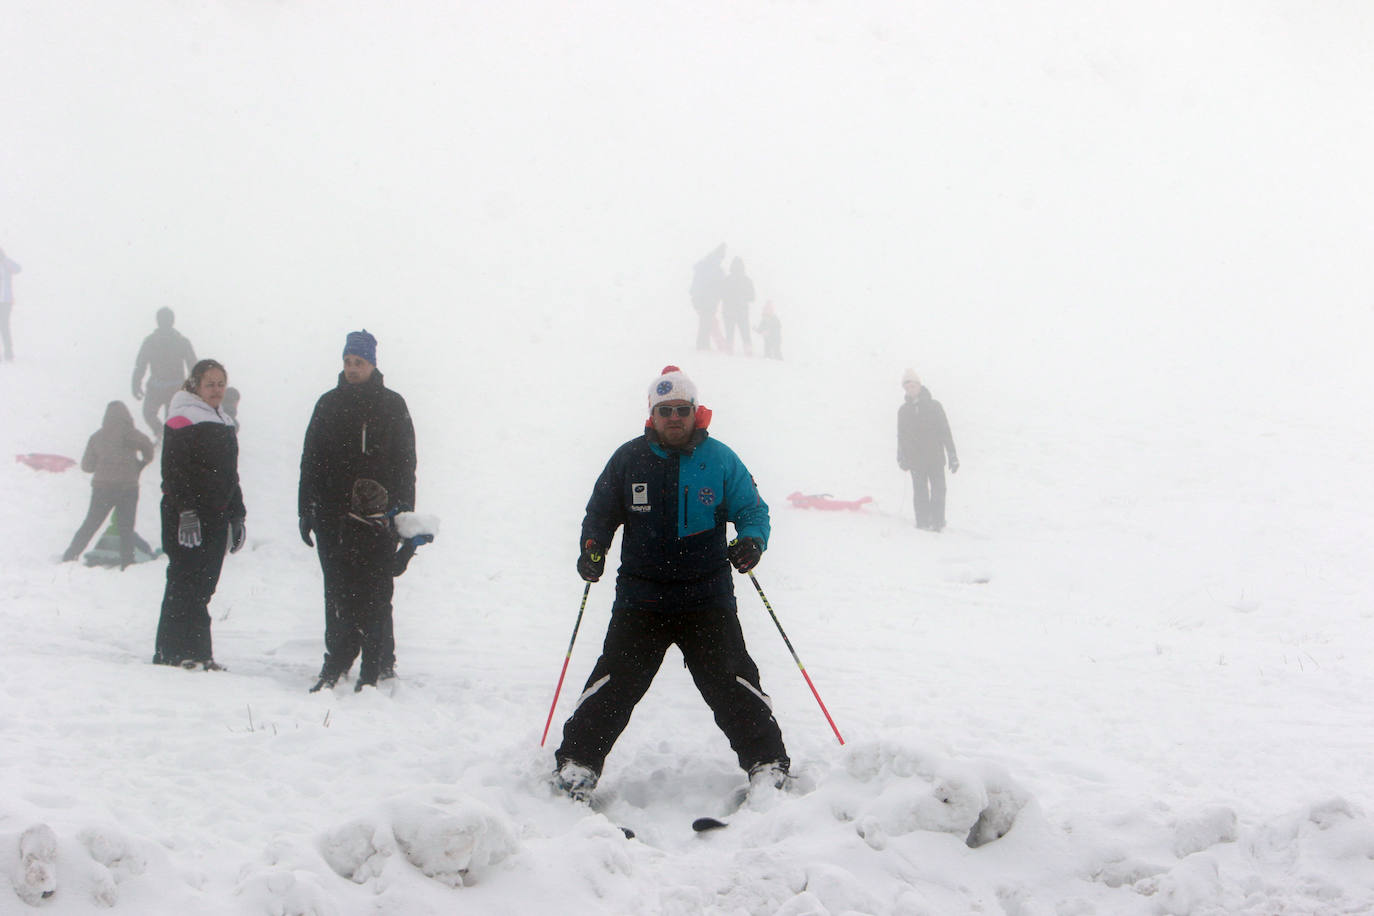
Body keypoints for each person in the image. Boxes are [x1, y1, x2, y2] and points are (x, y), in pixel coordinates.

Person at [552, 366, 790, 803]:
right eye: (666, 411)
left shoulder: (720, 459)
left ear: (696, 413)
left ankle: (767, 763)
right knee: (616, 682)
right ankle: (578, 763)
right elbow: (600, 514)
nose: (675, 417)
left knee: (732, 680)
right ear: (652, 414)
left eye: (683, 409)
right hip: (642, 597)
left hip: (706, 596)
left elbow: (753, 511)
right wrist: (593, 548)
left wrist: (752, 543)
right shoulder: (629, 458)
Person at [299, 330, 417, 693]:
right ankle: (335, 660)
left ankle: (378, 663)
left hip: (376, 518)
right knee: (337, 593)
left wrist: (403, 515)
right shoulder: (328, 404)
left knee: (376, 592)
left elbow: (405, 463)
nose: (352, 369)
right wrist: (306, 510)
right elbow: (311, 461)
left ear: (372, 364)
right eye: (348, 362)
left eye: (359, 363)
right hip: (332, 517)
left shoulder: (392, 405)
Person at [153, 359, 245, 670]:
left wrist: (237, 514)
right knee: (184, 581)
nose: (217, 389)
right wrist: (186, 512)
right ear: (196, 385)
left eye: (221, 383)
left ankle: (199, 653)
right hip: (186, 515)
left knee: (204, 585)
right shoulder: (183, 417)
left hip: (216, 515)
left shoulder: (224, 421)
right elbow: (174, 471)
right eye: (210, 384)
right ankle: (172, 652)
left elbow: (230, 475)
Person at [62, 401, 156, 568]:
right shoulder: (130, 433)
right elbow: (148, 446)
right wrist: (142, 463)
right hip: (127, 488)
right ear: (126, 417)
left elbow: (87, 466)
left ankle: (70, 555)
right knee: (126, 527)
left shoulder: (97, 437)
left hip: (102, 488)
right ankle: (127, 562)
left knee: (91, 523)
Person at [896, 369, 959, 531]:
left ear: (919, 385)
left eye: (913, 386)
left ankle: (938, 522)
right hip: (915, 460)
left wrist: (952, 454)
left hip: (935, 458)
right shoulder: (903, 411)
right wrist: (901, 455)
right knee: (920, 492)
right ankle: (923, 522)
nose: (910, 390)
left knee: (939, 490)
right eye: (907, 387)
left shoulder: (934, 406)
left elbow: (945, 431)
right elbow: (901, 436)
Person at [131, 308, 197, 440]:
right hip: (175, 388)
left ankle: (161, 434)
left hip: (158, 387)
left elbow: (140, 366)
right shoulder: (181, 341)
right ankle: (166, 437)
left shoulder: (150, 341)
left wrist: (136, 384)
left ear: (157, 321)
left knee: (149, 413)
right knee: (170, 419)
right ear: (173, 321)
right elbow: (194, 367)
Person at [689, 244, 726, 350]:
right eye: (722, 257)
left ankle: (703, 344)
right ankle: (702, 345)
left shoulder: (706, 266)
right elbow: (716, 285)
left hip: (704, 299)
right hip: (707, 300)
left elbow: (697, 283)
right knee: (706, 321)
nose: (722, 260)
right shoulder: (714, 268)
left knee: (705, 321)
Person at [719, 256, 755, 355]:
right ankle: (748, 351)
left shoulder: (727, 280)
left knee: (729, 332)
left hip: (728, 311)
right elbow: (752, 297)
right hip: (742, 310)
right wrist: (743, 299)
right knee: (745, 332)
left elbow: (721, 294)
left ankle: (729, 350)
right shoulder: (747, 280)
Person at [0, 246, 21, 361]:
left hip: (6, 301)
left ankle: (8, 352)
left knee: (4, 326)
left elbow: (18, 269)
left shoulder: (6, 264)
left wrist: (5, 260)